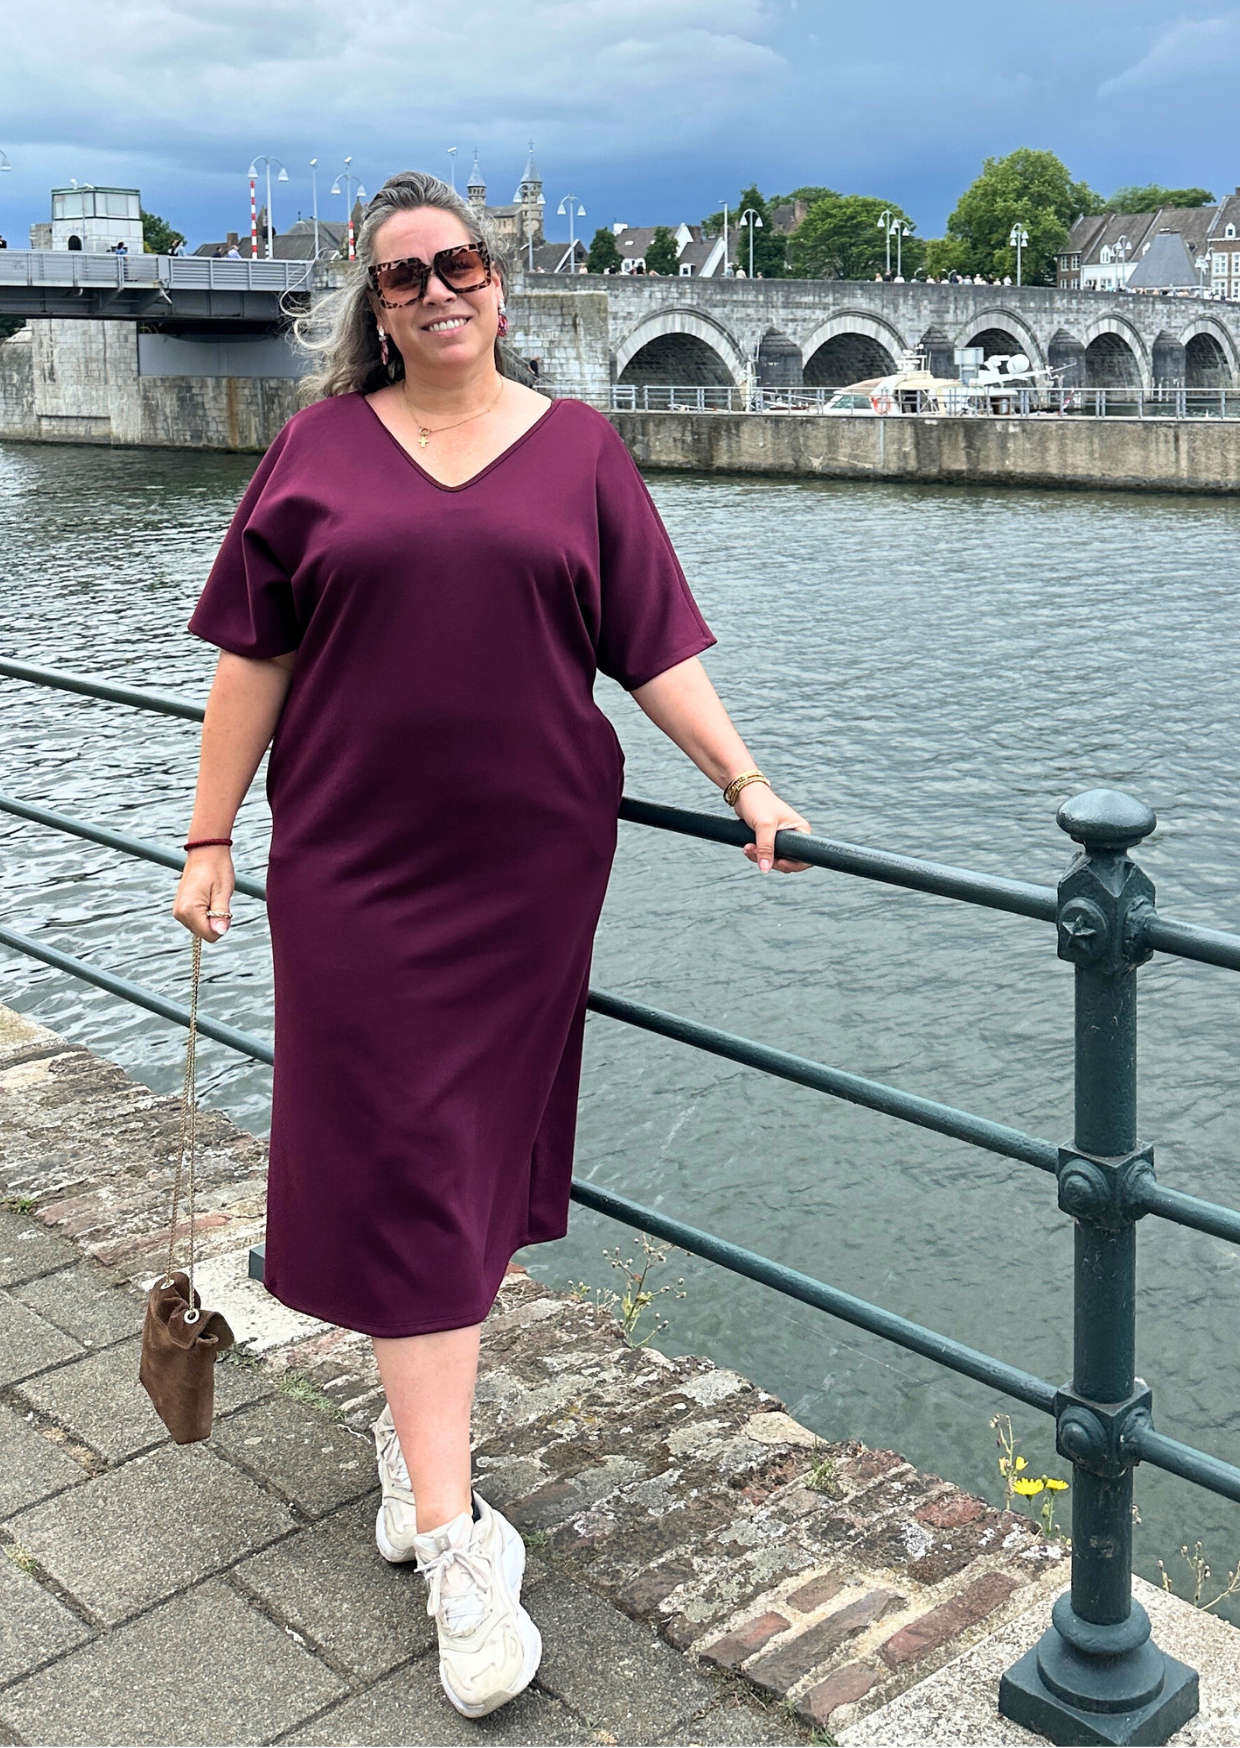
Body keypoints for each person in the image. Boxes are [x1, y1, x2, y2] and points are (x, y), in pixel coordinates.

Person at [173, 169, 810, 1723]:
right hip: (354, 872)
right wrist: (207, 836)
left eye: (458, 262)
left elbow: (653, 649)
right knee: (403, 1163)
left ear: (499, 280)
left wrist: (744, 779)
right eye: (404, 276)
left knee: (452, 1171)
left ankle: (422, 1460)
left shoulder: (581, 452)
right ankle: (460, 1544)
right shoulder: (317, 450)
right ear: (375, 308)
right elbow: (253, 659)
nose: (439, 289)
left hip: (526, 876)